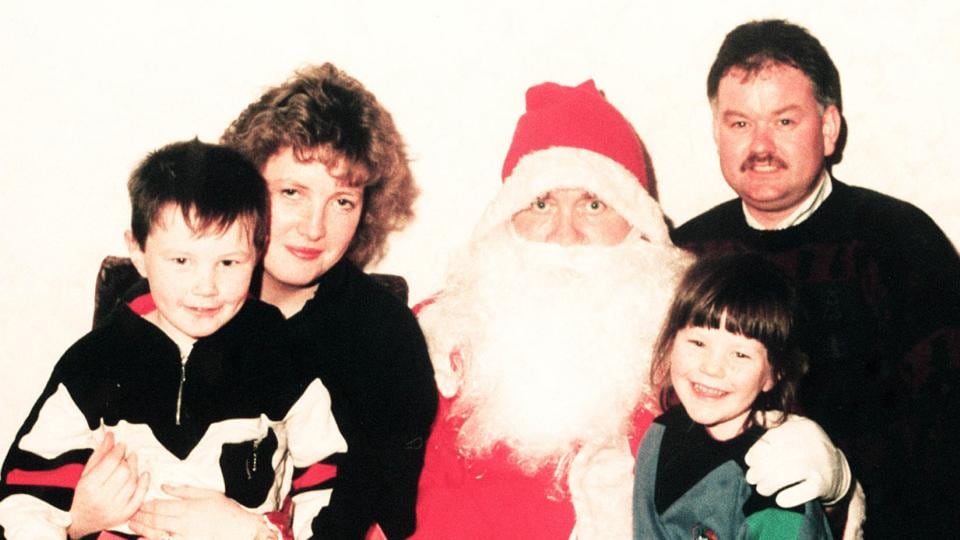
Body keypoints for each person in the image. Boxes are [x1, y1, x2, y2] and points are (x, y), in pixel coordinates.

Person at [412, 80, 849, 539]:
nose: (566, 235)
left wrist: (833, 479)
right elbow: (395, 486)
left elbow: (755, 449)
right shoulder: (441, 332)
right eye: (541, 203)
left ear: (635, 223)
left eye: (594, 204)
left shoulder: (690, 333)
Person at [122, 64, 439, 539]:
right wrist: (80, 516)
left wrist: (251, 533)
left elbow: (386, 517)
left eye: (342, 202)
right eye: (292, 192)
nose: (315, 227)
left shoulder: (383, 333)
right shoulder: (169, 298)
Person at [671, 19, 960, 537]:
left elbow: (947, 427)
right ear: (715, 130)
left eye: (784, 122)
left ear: (828, 128)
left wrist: (847, 485)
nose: (760, 146)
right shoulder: (687, 254)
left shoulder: (900, 242)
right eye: (739, 124)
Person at [0, 139, 346, 539]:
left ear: (257, 252)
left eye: (229, 263)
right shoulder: (93, 362)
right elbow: (23, 495)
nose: (206, 287)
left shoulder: (284, 354)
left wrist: (256, 532)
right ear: (139, 252)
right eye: (182, 261)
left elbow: (330, 483)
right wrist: (77, 521)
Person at [633, 253, 831, 539]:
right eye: (698, 342)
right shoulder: (660, 434)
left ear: (773, 374)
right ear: (670, 342)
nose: (711, 368)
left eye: (740, 354)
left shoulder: (777, 482)